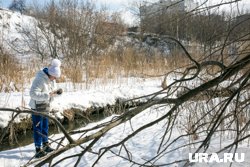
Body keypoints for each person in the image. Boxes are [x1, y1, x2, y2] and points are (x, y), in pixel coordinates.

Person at [29, 58, 62, 158]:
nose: (55, 79)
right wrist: (47, 95)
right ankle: (38, 149)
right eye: (54, 77)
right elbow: (33, 94)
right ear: (50, 74)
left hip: (46, 107)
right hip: (37, 108)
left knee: (45, 126)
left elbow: (51, 93)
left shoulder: (51, 80)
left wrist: (57, 93)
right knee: (38, 128)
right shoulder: (40, 79)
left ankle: (46, 145)